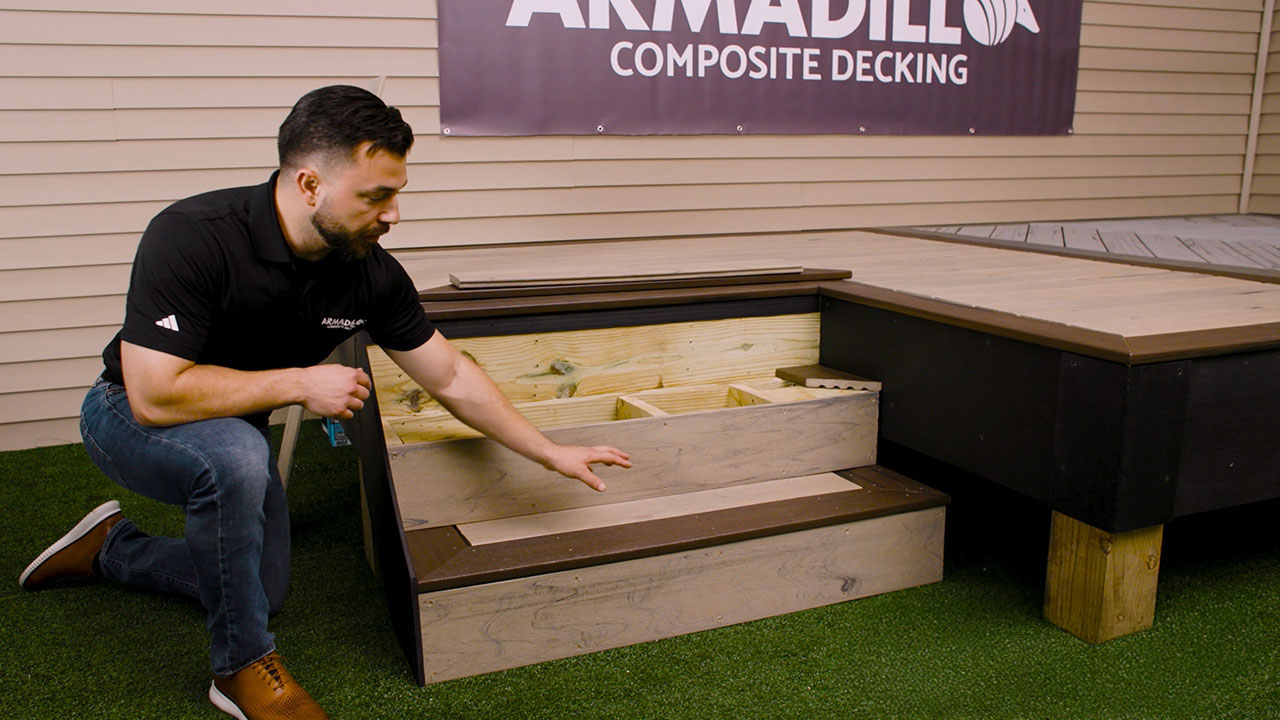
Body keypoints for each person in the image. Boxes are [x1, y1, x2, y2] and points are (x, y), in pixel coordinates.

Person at [17, 85, 631, 720]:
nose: (393, 215)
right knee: (237, 457)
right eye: (375, 196)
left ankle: (110, 547)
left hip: (234, 431)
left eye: (397, 193)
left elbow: (450, 375)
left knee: (261, 589)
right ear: (310, 184)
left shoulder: (369, 272)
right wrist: (300, 382)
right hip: (125, 415)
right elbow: (154, 394)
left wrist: (548, 452)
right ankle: (240, 669)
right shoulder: (192, 236)